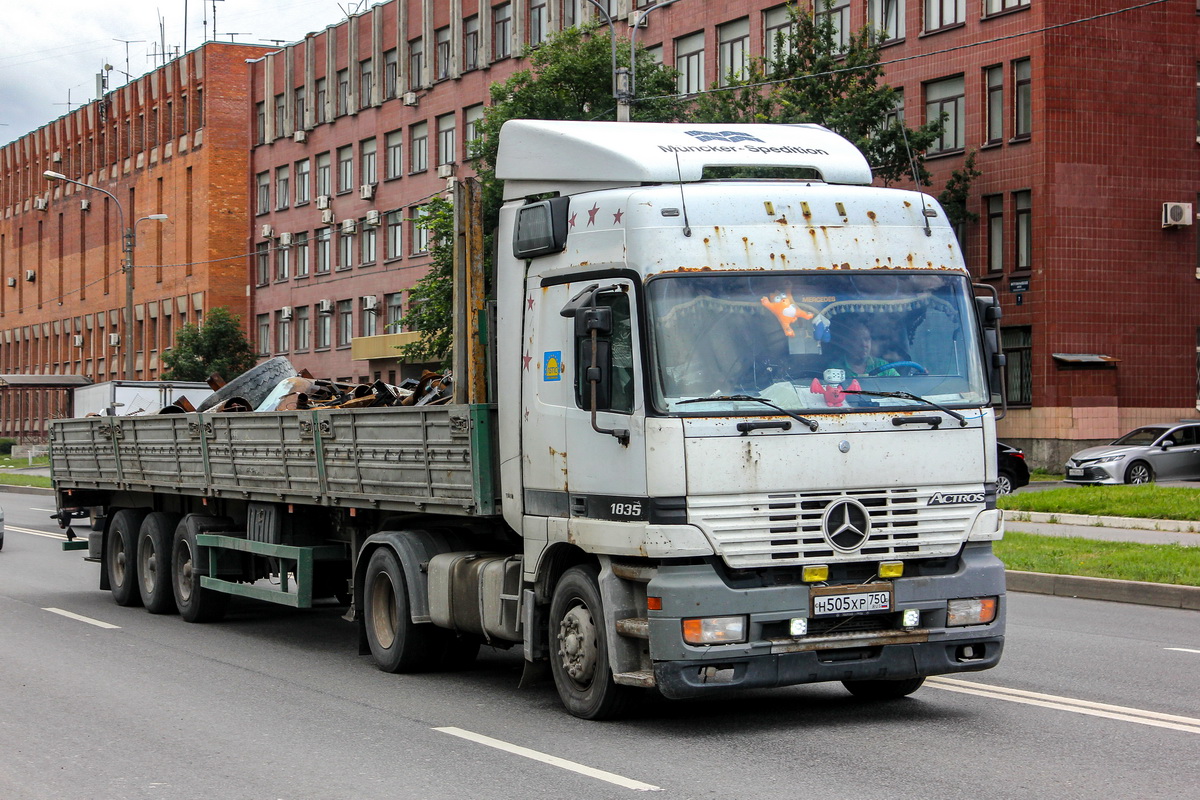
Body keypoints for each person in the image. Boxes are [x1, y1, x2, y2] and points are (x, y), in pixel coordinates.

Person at [826, 316, 898, 377]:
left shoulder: (883, 366)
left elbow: (901, 385)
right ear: (846, 343)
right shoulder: (835, 368)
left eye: (866, 339)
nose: (864, 344)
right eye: (857, 340)